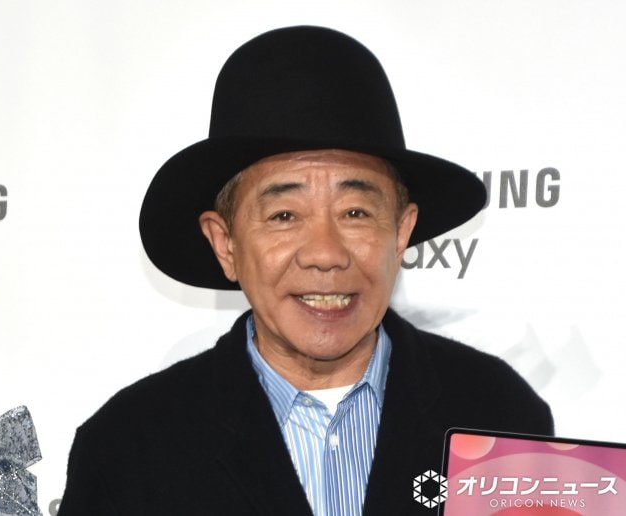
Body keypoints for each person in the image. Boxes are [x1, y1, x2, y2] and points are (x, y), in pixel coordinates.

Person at [58, 26, 553, 515]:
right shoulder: (127, 449)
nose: (325, 253)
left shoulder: (499, 416)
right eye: (284, 216)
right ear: (225, 243)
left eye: (355, 212)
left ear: (401, 232)